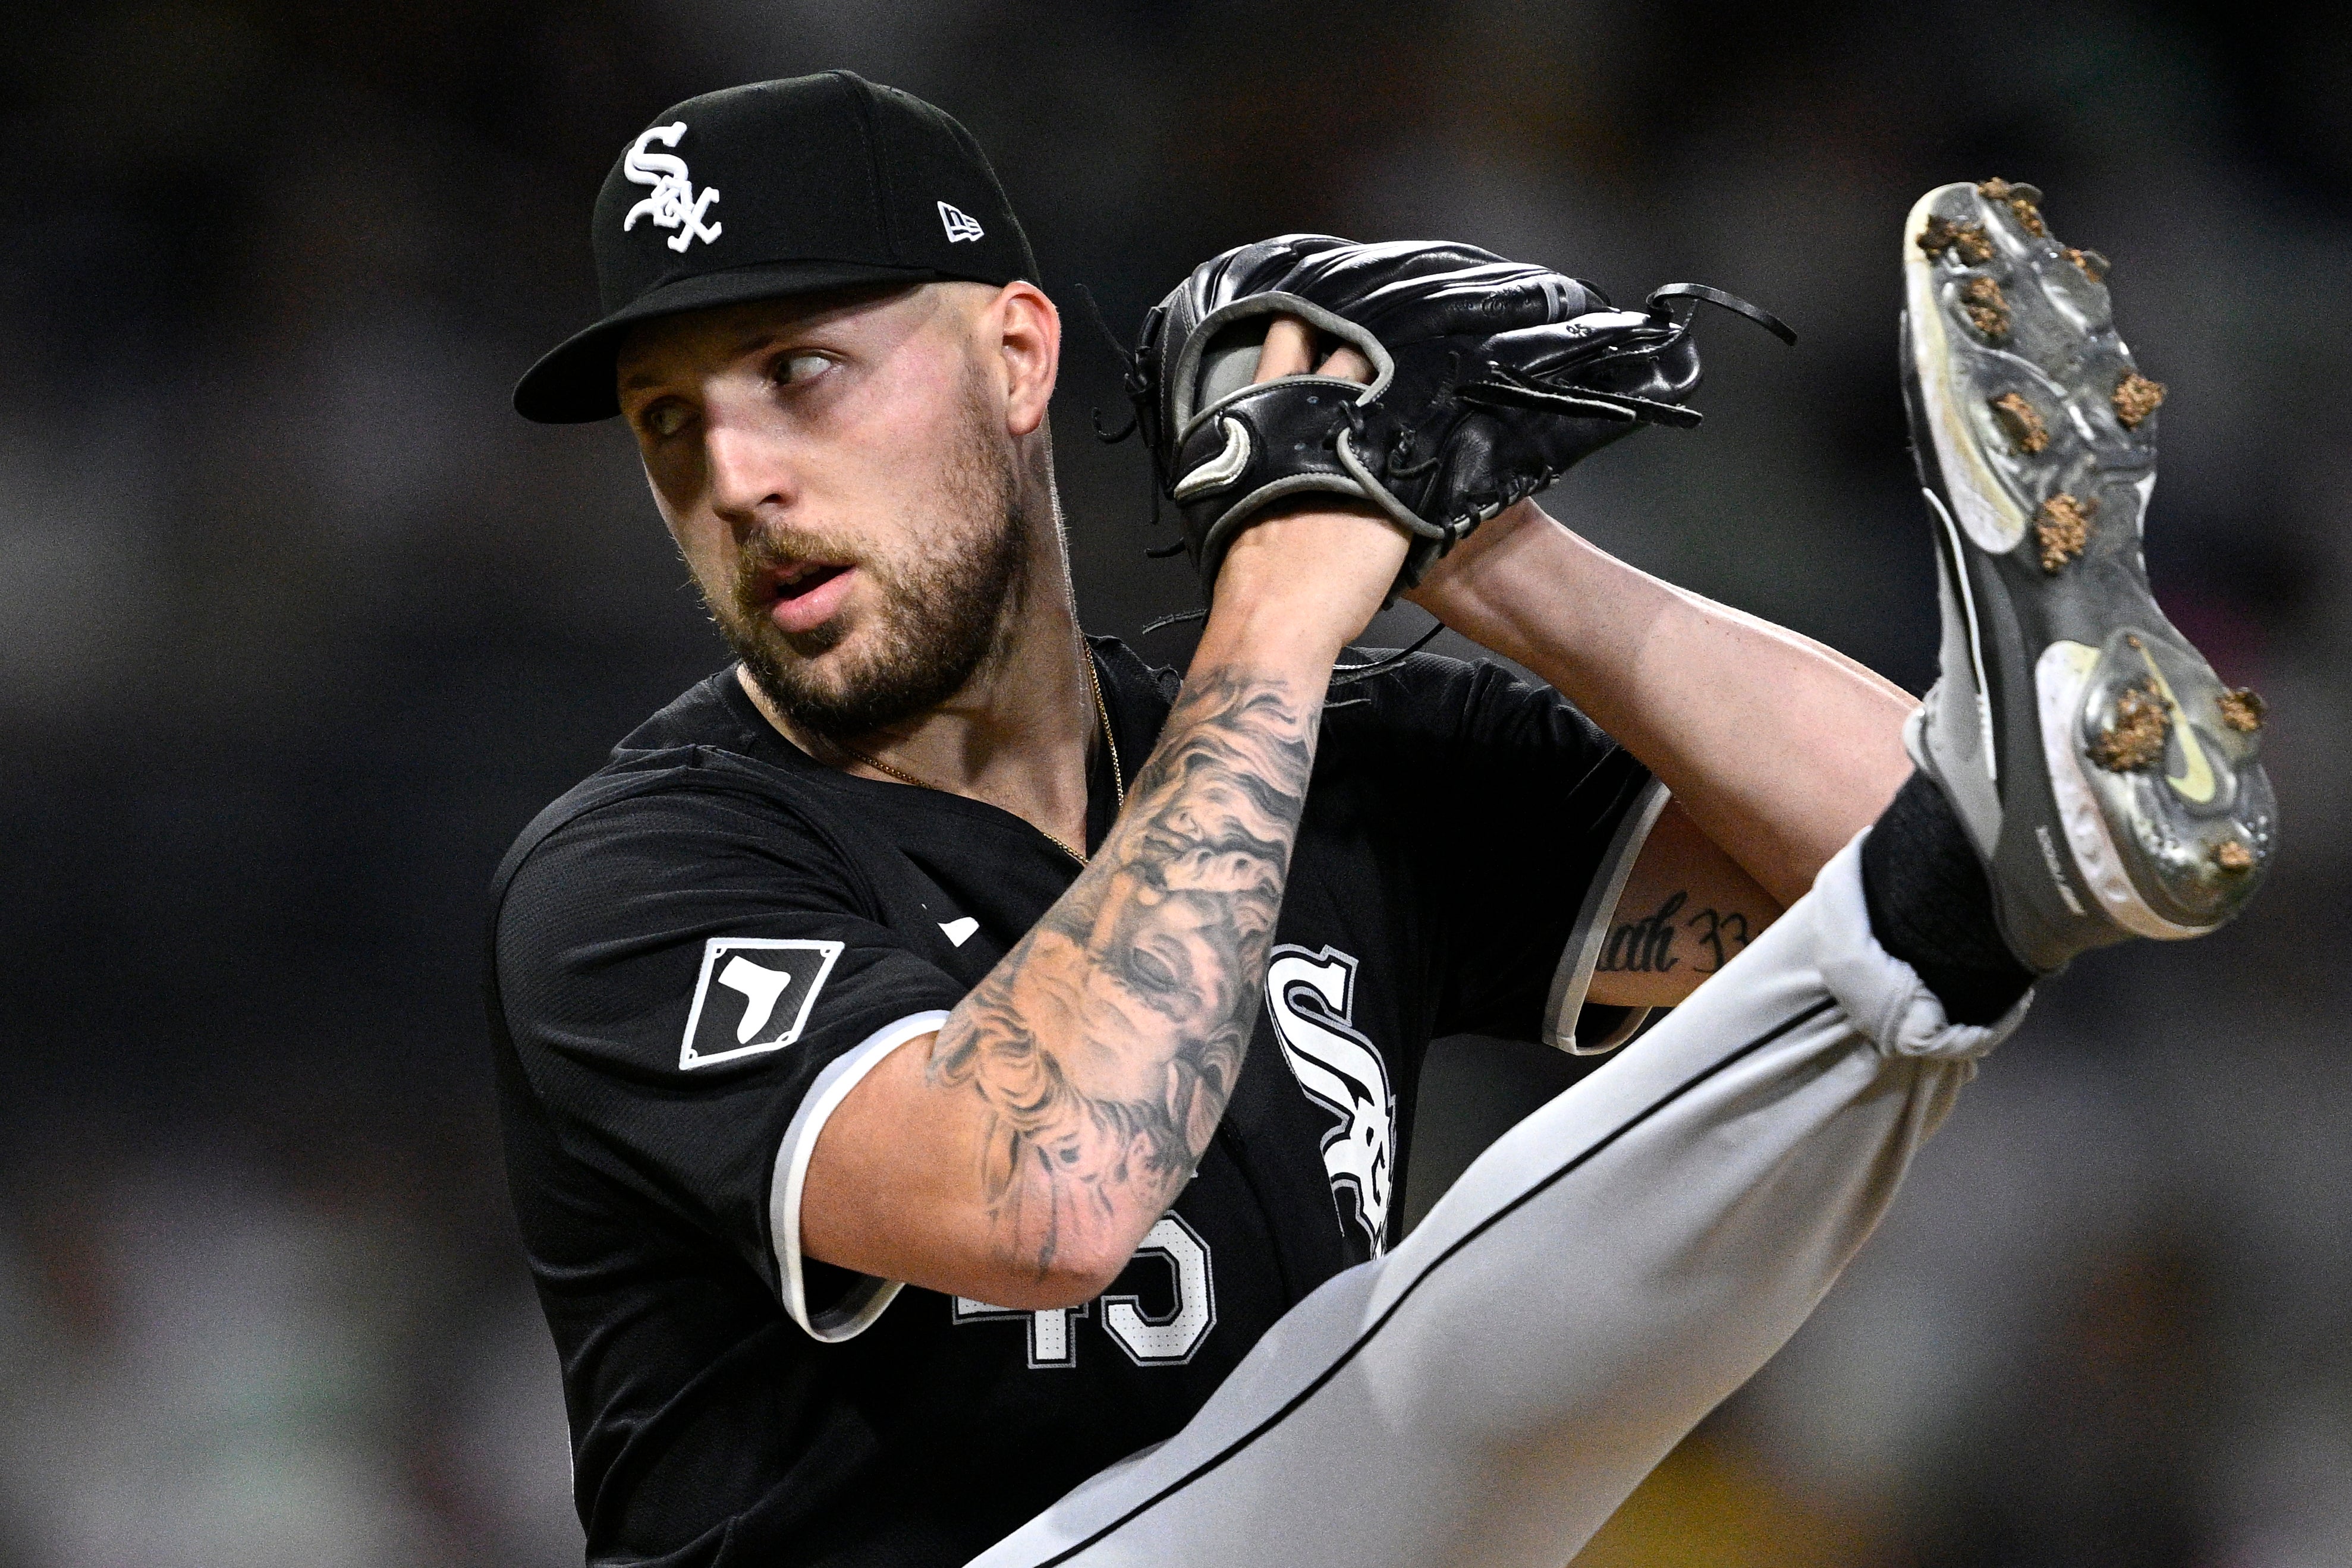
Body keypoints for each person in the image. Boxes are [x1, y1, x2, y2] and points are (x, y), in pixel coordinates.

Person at [488, 73, 2272, 1568]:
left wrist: (1485, 548)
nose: (735, 479)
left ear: (1014, 354)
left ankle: (1943, 921)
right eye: (668, 426)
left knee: (1922, 918)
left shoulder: (1349, 751)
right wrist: (1280, 610)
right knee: (1401, 1372)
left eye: (797, 371)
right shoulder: (638, 878)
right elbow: (1046, 1198)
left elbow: (1890, 835)